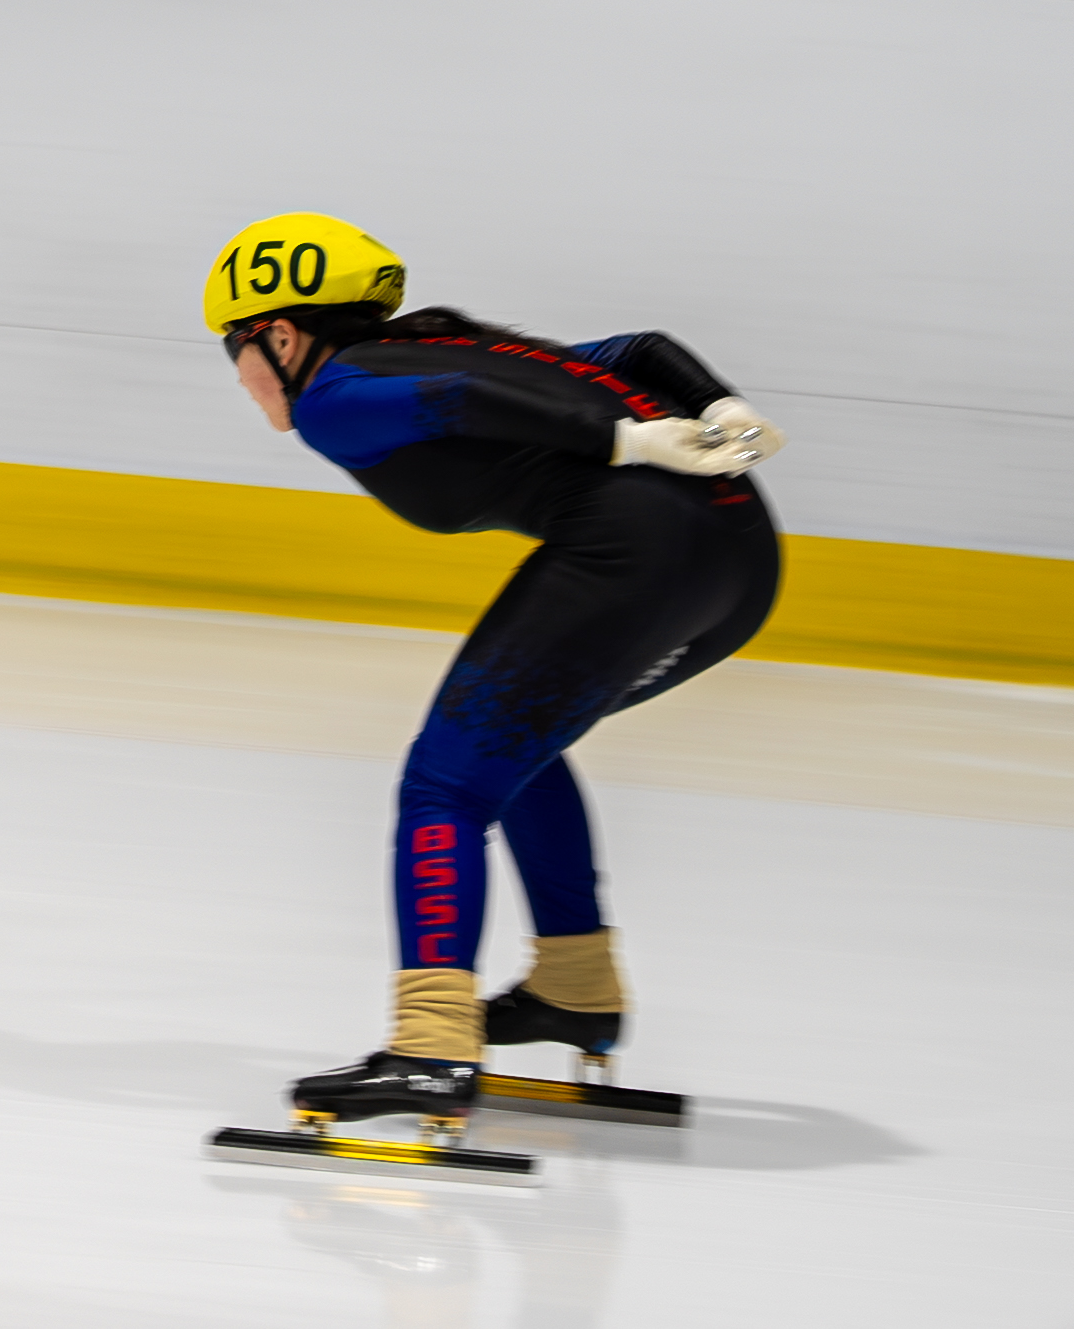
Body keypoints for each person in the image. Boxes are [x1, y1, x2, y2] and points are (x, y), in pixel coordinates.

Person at [204, 213, 785, 1132]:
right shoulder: (449, 338)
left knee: (444, 785)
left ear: (278, 334)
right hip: (741, 556)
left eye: (230, 348)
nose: (237, 375)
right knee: (514, 752)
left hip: (637, 552)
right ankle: (573, 987)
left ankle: (430, 1048)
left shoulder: (335, 395)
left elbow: (465, 402)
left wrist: (626, 444)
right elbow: (637, 349)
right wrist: (719, 407)